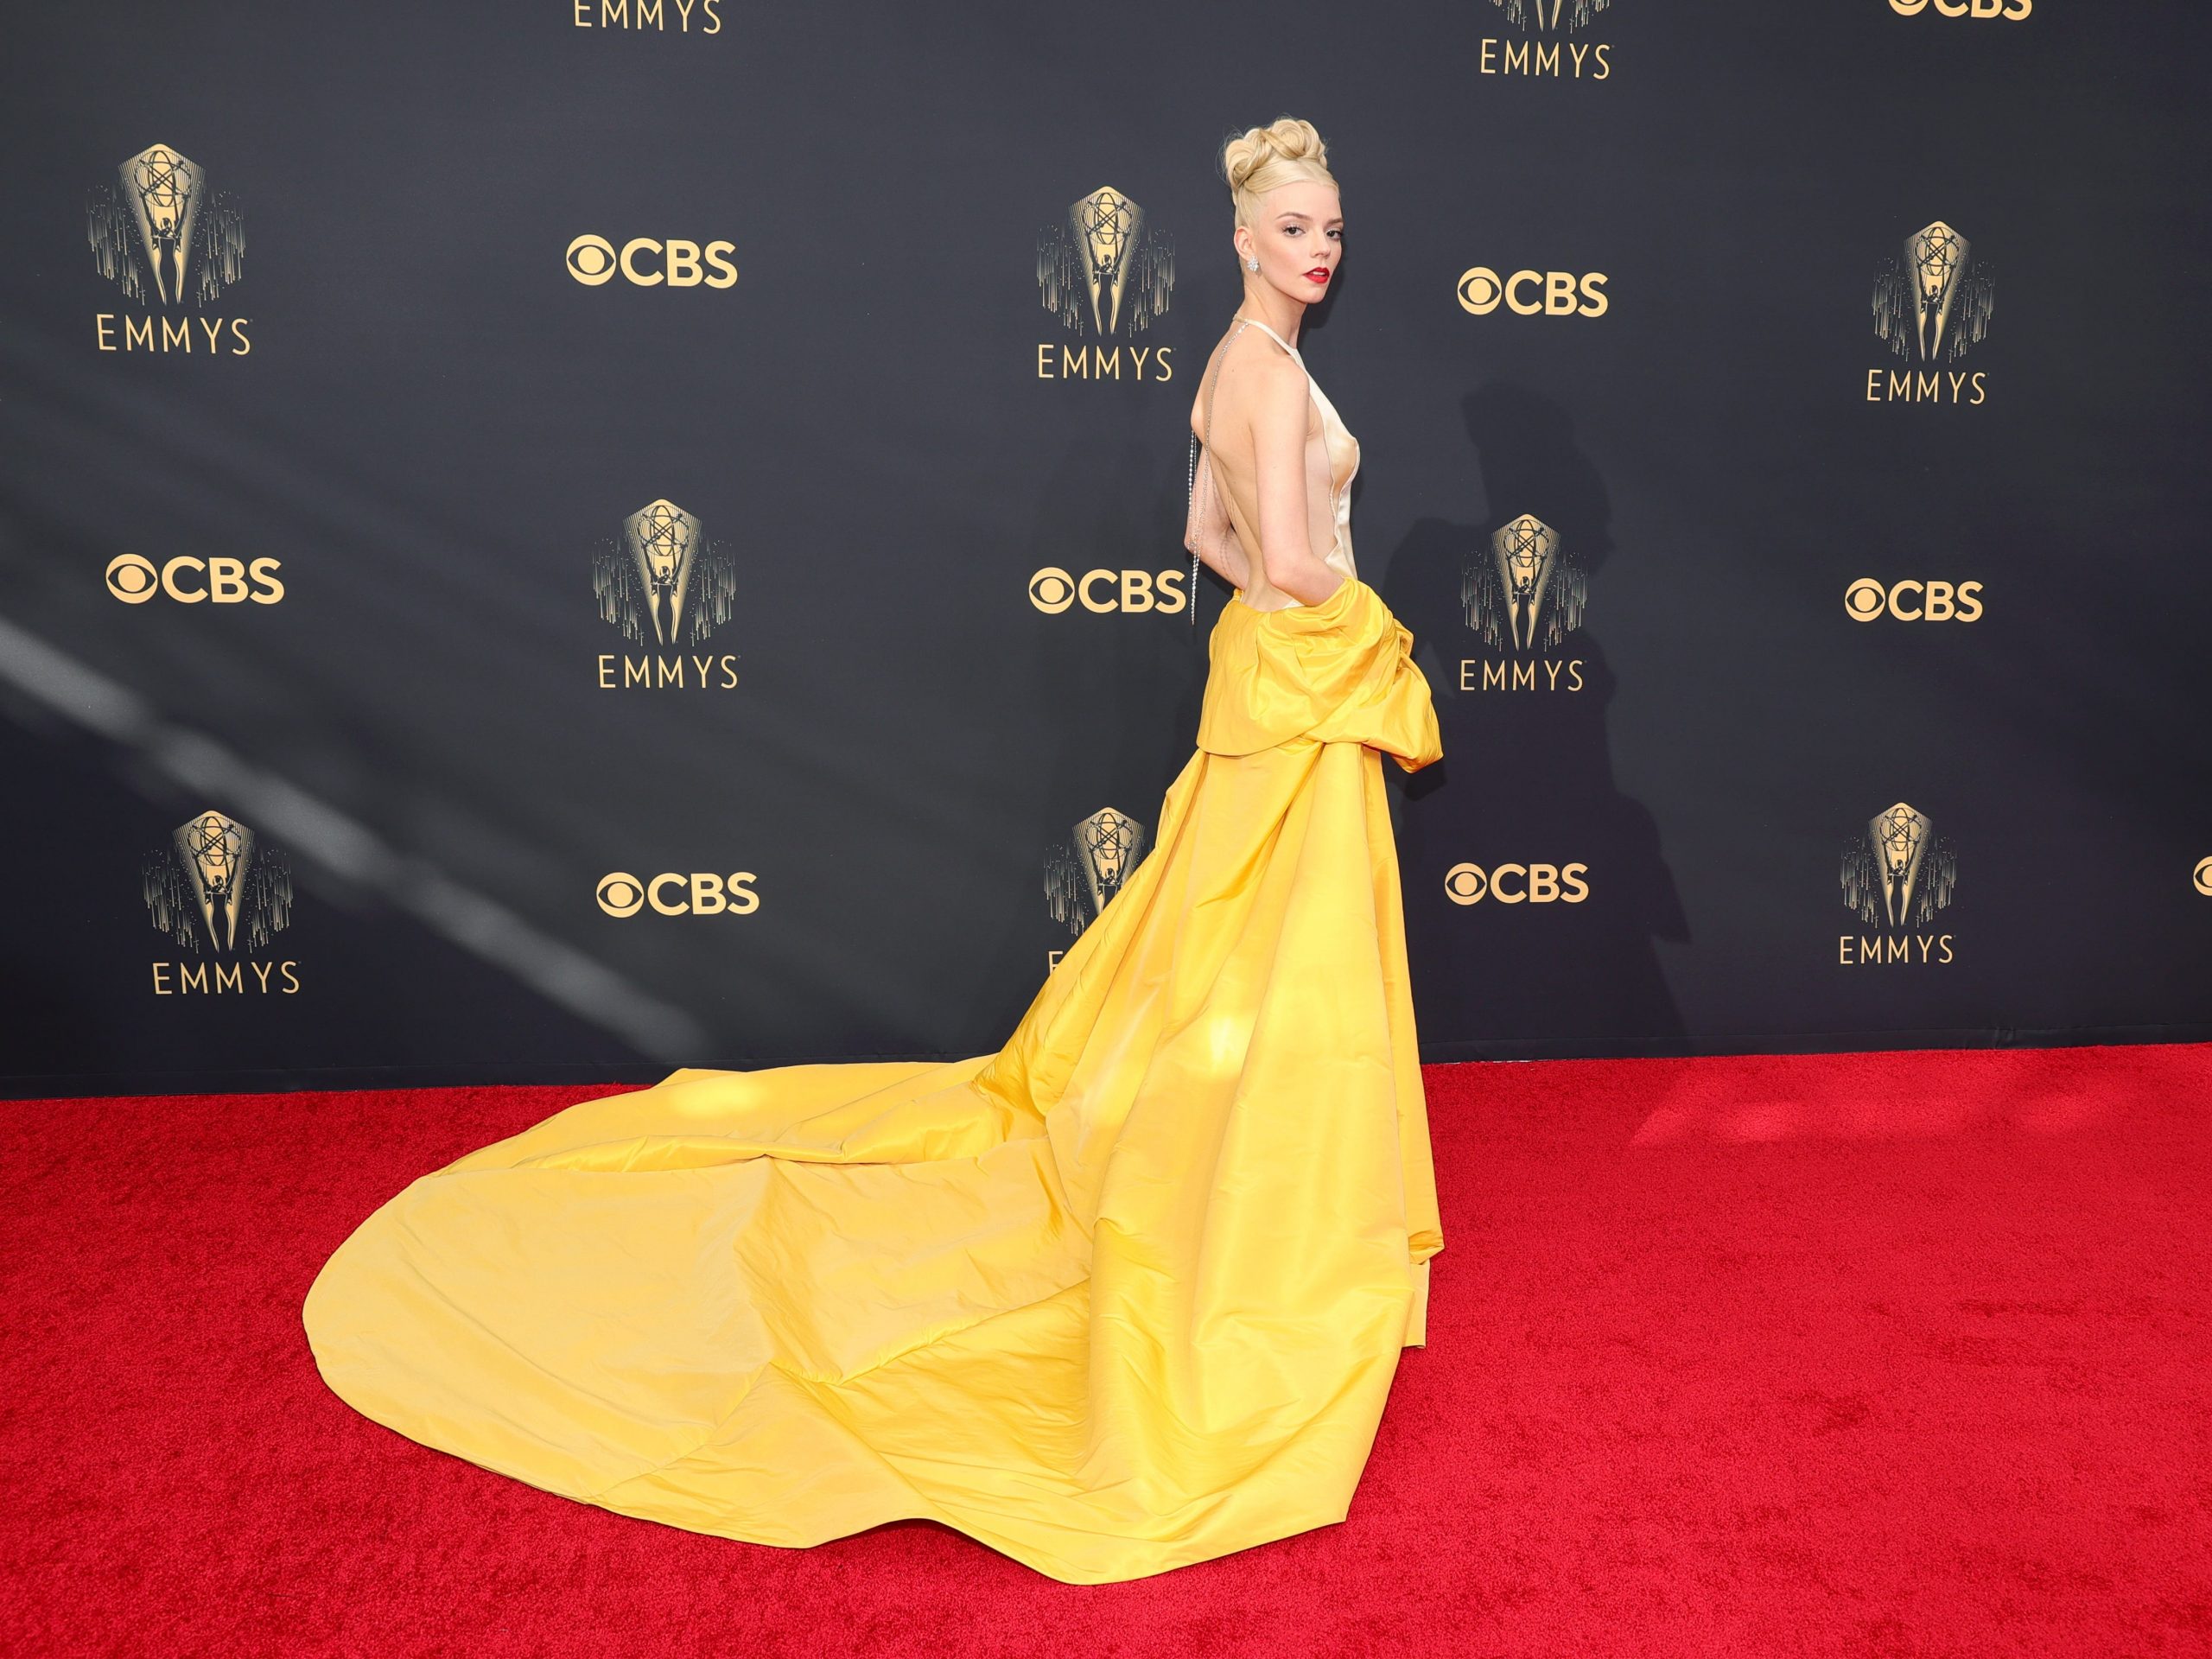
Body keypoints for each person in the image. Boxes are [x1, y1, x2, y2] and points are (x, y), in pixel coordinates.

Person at [303, 116, 1445, 1586]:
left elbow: (1203, 541)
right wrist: (1375, 635)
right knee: (1266, 958)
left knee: (1227, 957)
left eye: (1333, 226)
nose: (1321, 248)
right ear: (1240, 238)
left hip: (1267, 689)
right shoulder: (1267, 375)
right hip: (1300, 697)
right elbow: (1286, 561)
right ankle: (1260, 1212)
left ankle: (1245, 1173)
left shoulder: (1238, 370)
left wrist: (1302, 614)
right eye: (1297, 227)